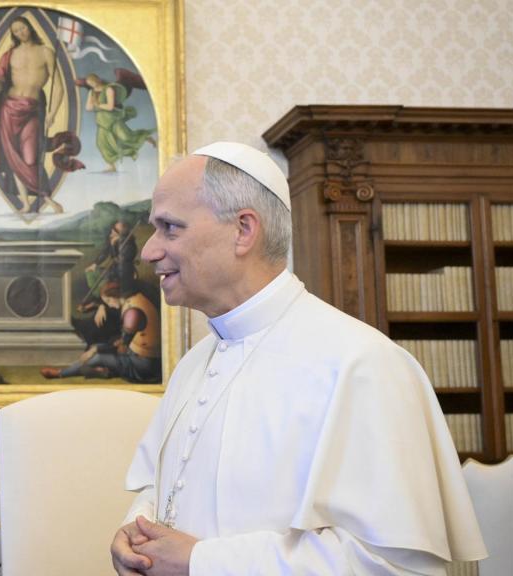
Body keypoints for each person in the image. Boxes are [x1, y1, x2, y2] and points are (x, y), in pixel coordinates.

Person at [111, 142, 486, 575]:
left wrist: (202, 562)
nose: (149, 251)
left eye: (170, 228)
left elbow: (392, 565)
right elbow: (163, 489)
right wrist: (136, 532)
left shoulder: (363, 364)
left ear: (243, 230)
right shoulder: (194, 364)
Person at [0, 16, 82, 214]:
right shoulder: (9, 55)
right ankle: (25, 203)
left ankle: (47, 198)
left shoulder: (46, 52)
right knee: (13, 158)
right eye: (16, 31)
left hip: (32, 110)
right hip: (9, 109)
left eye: (22, 28)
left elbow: (59, 87)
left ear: (30, 27)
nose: (20, 33)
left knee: (30, 158)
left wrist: (52, 113)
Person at [42, 282, 161, 383]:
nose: (109, 304)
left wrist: (95, 350)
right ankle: (103, 371)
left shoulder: (132, 314)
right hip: (137, 355)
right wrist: (100, 306)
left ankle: (61, 373)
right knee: (97, 348)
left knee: (98, 357)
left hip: (143, 365)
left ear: (116, 295)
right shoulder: (133, 300)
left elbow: (122, 347)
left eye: (108, 300)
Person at [83, 71, 156, 172]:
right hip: (102, 120)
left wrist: (97, 105)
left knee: (126, 137)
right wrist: (97, 106)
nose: (93, 85)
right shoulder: (91, 92)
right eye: (90, 84)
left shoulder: (109, 89)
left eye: (93, 82)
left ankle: (146, 137)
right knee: (101, 143)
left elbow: (110, 106)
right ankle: (111, 166)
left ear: (98, 80)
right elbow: (88, 107)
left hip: (113, 119)